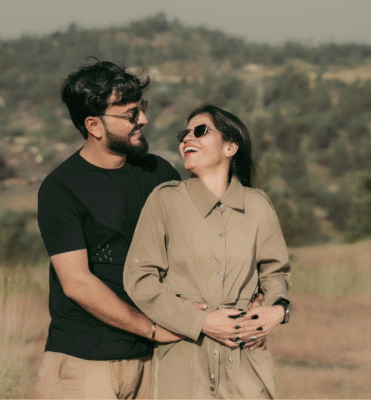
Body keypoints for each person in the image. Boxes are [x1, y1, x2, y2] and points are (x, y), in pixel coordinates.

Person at [35, 60, 183, 399]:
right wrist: (153, 329)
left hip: (152, 361)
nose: (143, 120)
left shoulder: (159, 173)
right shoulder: (61, 189)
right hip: (85, 362)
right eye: (130, 114)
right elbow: (77, 283)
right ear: (94, 125)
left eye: (141, 109)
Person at [124, 104, 292, 399]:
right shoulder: (165, 201)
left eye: (200, 131)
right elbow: (139, 277)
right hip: (184, 364)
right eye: (184, 134)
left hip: (246, 364)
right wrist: (199, 321)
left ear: (230, 147)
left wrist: (276, 311)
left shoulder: (258, 206)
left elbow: (275, 272)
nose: (187, 138)